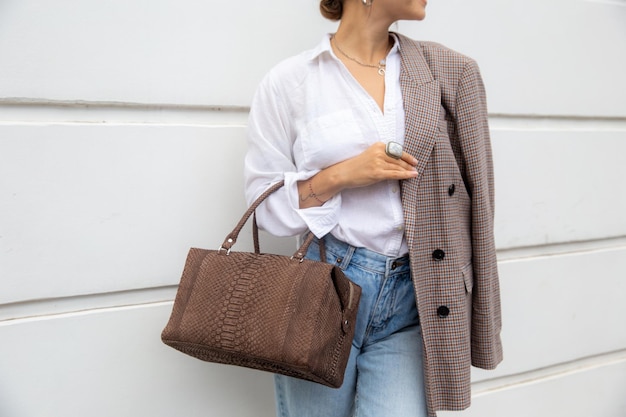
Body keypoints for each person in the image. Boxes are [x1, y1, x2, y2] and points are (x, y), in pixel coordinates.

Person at [244, 0, 503, 416]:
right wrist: (342, 174)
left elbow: (479, 203)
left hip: (416, 291)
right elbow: (266, 208)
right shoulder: (291, 82)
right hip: (323, 287)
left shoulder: (448, 72)